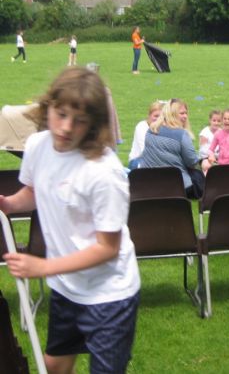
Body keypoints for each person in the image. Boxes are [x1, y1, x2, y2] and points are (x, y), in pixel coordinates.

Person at [0, 67, 140, 373]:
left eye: (79, 121)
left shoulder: (104, 173)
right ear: (47, 106)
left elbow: (108, 248)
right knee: (55, 365)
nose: (65, 127)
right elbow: (35, 191)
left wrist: (43, 267)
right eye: (60, 114)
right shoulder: (38, 145)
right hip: (67, 288)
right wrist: (8, 204)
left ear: (94, 124)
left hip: (109, 295)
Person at [140, 99, 203, 198]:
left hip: (149, 183)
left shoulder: (151, 130)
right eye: (182, 113)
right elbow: (192, 162)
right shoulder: (181, 134)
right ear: (172, 114)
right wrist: (202, 159)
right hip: (177, 185)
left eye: (186, 113)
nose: (185, 116)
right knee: (198, 176)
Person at [128, 100, 164, 170]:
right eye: (155, 116)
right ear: (149, 115)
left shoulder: (164, 128)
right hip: (138, 160)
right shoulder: (141, 126)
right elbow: (145, 151)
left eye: (160, 117)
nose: (158, 119)